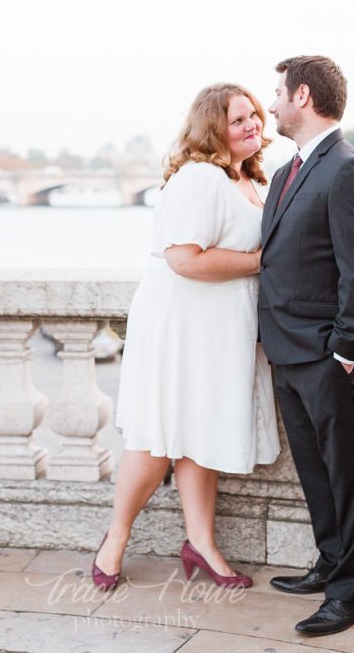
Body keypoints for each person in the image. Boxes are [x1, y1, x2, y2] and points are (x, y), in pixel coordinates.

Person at [91, 83, 280, 591]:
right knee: (158, 437)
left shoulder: (248, 178)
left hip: (220, 327)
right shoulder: (199, 178)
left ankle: (201, 546)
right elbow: (183, 258)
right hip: (182, 324)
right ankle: (115, 538)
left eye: (254, 116)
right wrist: (265, 261)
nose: (252, 126)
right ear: (211, 128)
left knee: (200, 434)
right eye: (238, 119)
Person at [259, 55, 354, 636]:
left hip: (328, 357)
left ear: (303, 95)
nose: (272, 103)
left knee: (347, 475)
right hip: (287, 351)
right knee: (314, 471)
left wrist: (343, 351)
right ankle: (330, 562)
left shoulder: (350, 170)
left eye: (278, 92)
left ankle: (351, 594)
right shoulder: (288, 171)